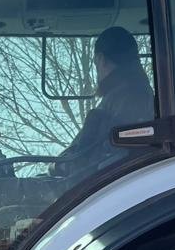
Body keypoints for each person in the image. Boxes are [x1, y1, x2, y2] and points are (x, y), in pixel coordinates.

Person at [52, 25, 155, 179]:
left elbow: (93, 160)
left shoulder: (127, 98)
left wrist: (59, 166)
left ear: (101, 60)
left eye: (95, 64)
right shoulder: (131, 94)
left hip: (96, 184)